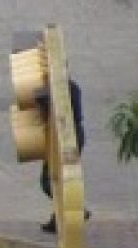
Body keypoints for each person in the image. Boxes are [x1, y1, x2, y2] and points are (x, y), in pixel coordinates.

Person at [38, 79, 89, 233]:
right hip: (72, 136)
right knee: (60, 178)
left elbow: (61, 113)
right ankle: (61, 217)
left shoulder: (63, 88)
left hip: (68, 138)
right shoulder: (70, 86)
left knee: (49, 179)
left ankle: (75, 209)